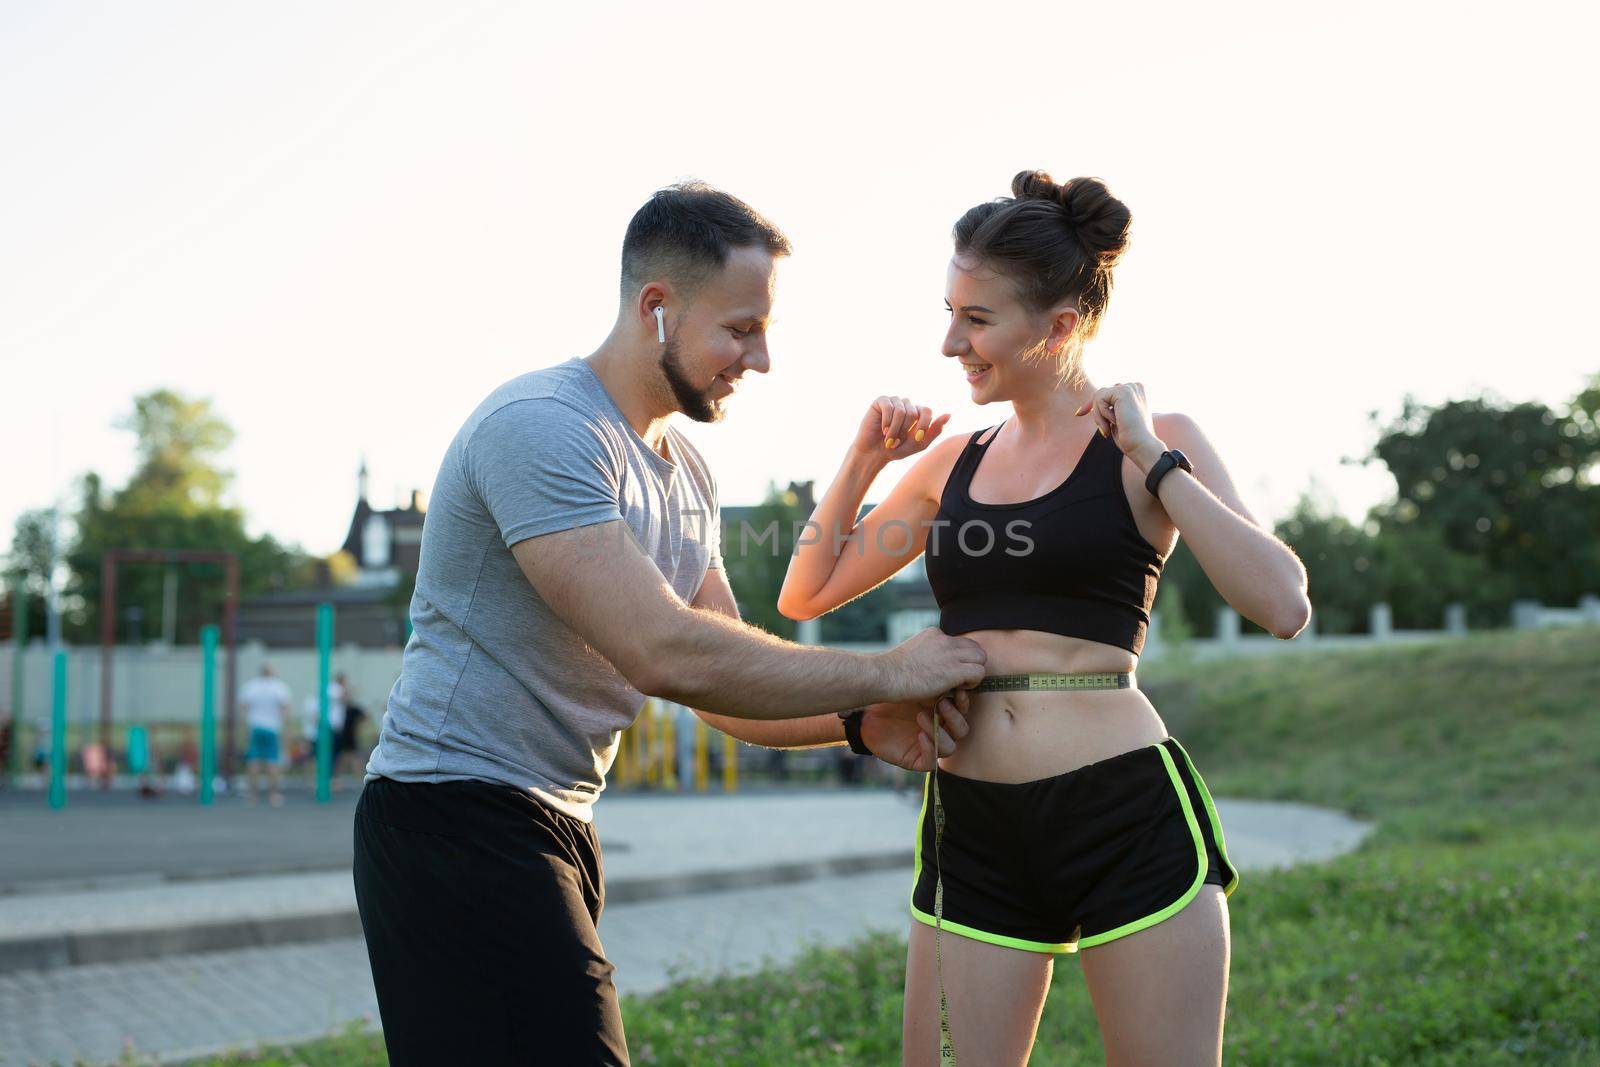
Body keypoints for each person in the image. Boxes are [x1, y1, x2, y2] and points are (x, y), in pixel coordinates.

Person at [352, 182, 988, 1067]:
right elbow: (665, 650)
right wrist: (889, 673)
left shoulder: (684, 471)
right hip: (452, 814)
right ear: (656, 308)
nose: (760, 359)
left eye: (765, 330)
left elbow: (726, 681)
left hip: (556, 820)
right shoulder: (541, 429)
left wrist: (857, 723)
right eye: (741, 328)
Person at [779, 171, 1312, 1066]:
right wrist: (863, 458)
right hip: (973, 821)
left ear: (1060, 326)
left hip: (1123, 813)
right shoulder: (953, 460)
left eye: (977, 319)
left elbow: (1282, 602)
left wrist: (1151, 456)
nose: (951, 340)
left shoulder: (1152, 437)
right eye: (949, 311)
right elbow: (807, 590)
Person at [238, 663, 292, 807]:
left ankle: (252, 796)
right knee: (272, 763)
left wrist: (245, 728)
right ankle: (273, 795)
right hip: (272, 728)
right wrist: (286, 730)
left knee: (253, 762)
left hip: (255, 727)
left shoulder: (251, 686)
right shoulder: (279, 687)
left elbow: (243, 708)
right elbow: (285, 710)